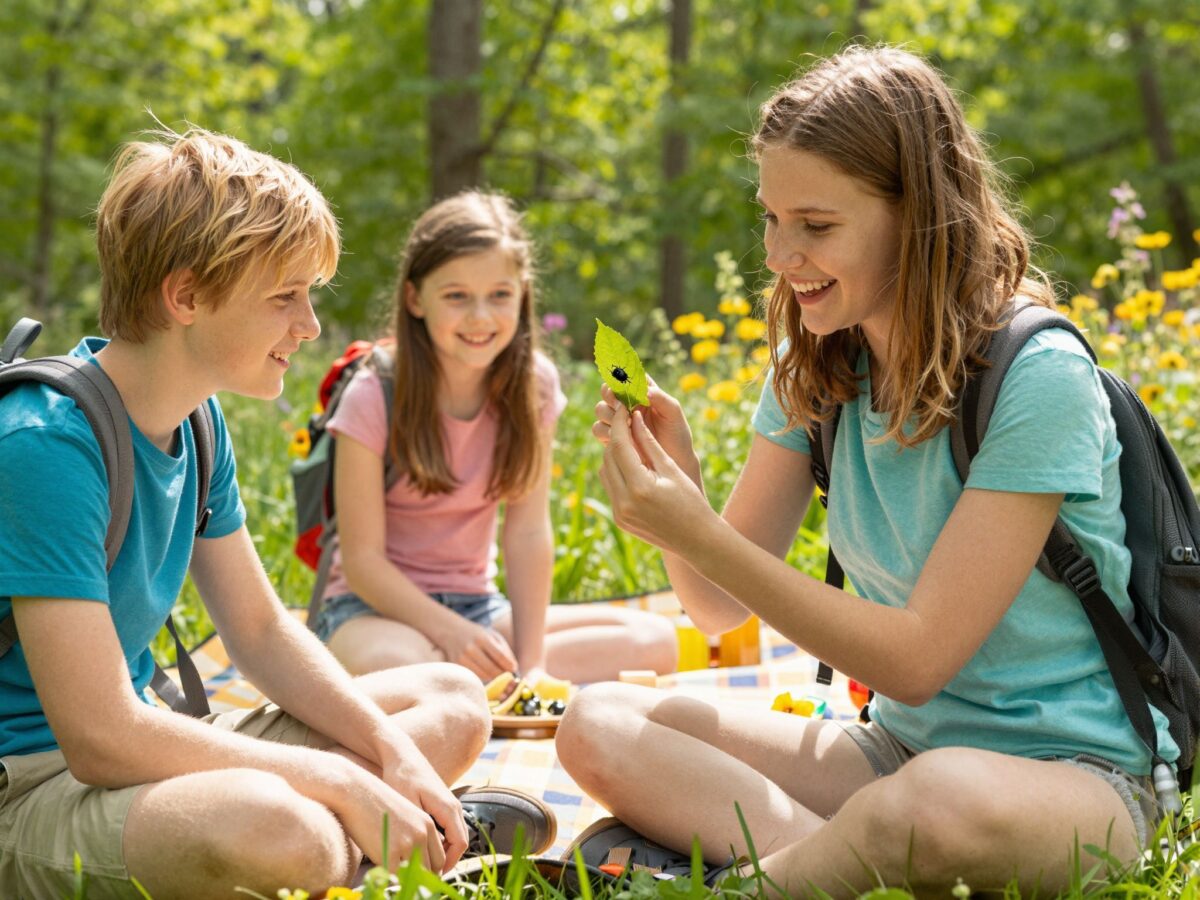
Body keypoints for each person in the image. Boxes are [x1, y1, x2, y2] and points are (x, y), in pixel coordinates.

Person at [556, 45, 1172, 897]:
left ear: (918, 215)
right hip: (899, 752)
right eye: (771, 219)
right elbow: (716, 606)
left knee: (930, 805)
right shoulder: (815, 365)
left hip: (1073, 778)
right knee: (598, 721)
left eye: (816, 226)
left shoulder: (1038, 376)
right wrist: (678, 487)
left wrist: (697, 531)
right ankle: (841, 864)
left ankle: (760, 883)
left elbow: (917, 661)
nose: (781, 255)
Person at [0, 129, 550, 899]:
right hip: (33, 789)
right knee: (278, 830)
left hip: (143, 756)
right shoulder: (45, 445)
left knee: (453, 703)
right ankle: (380, 839)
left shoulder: (197, 421)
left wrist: (387, 752)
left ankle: (376, 832)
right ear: (186, 297)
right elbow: (100, 737)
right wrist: (338, 778)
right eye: (284, 297)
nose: (310, 325)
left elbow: (259, 631)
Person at [311, 190, 677, 685]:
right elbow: (362, 563)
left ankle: (480, 680)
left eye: (500, 295)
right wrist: (452, 633)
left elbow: (528, 533)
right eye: (456, 296)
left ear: (522, 293)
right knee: (401, 663)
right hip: (372, 611)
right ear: (415, 299)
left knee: (655, 642)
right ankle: (460, 678)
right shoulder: (373, 393)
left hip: (479, 607)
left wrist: (533, 665)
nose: (481, 317)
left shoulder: (534, 386)